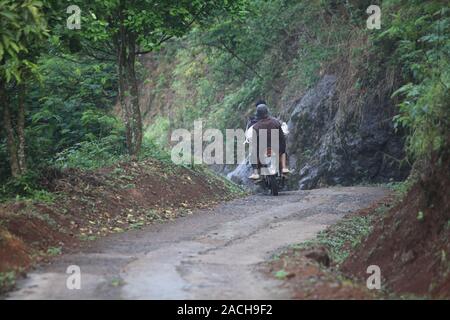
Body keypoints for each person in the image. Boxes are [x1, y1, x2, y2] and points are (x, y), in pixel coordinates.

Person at [247, 101, 290, 180]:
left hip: (262, 151)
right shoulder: (276, 122)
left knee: (253, 154)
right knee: (283, 152)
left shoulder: (255, 127)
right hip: (276, 148)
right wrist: (283, 148)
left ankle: (255, 173)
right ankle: (284, 167)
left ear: (258, 115)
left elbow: (254, 143)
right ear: (267, 112)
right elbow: (282, 137)